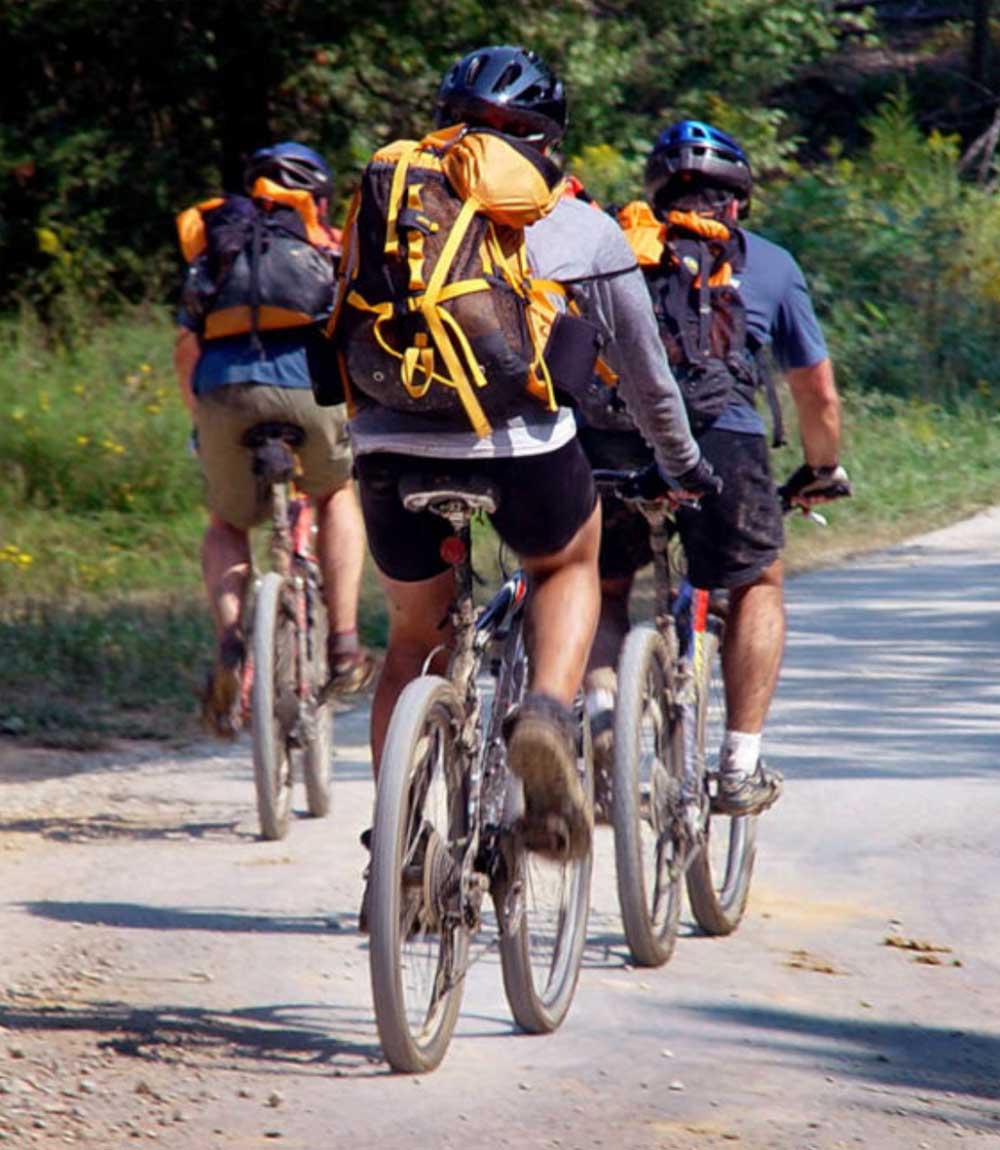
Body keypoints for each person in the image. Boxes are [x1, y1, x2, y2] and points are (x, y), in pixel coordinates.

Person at [343, 47, 717, 862]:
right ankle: (546, 711)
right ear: (549, 138)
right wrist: (685, 465)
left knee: (413, 641)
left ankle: (397, 851)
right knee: (566, 564)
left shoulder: (391, 199)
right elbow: (649, 379)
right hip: (521, 446)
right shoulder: (581, 223)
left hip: (387, 443)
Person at [582, 119, 851, 816]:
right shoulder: (769, 263)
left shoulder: (613, 245)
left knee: (602, 585)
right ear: (738, 201)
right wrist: (822, 468)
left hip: (612, 439)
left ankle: (603, 716)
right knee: (758, 580)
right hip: (721, 441)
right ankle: (738, 765)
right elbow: (815, 391)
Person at [173, 141, 373, 737]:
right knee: (337, 493)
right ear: (318, 197)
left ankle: (233, 643)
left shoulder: (218, 244)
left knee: (227, 524)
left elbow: (188, 348)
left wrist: (201, 421)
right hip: (309, 394)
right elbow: (357, 342)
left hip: (223, 392)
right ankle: (343, 643)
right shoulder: (329, 244)